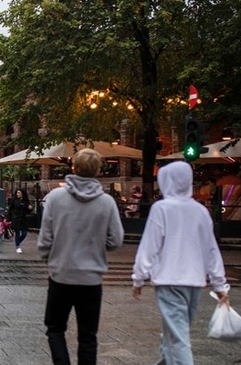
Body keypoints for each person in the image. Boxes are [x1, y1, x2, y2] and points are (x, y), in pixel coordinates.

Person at [131, 161, 229, 364]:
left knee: (178, 337)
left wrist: (139, 277)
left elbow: (149, 246)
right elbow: (211, 250)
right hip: (194, 282)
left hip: (169, 281)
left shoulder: (162, 209)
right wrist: (219, 284)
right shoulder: (201, 211)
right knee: (175, 332)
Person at [37, 148, 124, 365]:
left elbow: (45, 237)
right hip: (91, 279)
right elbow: (116, 240)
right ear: (98, 170)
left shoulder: (56, 198)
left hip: (61, 274)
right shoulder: (107, 202)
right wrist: (95, 245)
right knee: (88, 336)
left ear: (73, 167)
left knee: (55, 328)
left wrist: (50, 256)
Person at [8, 188, 32, 254]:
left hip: (23, 219)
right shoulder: (14, 200)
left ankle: (18, 242)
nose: (18, 194)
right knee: (17, 233)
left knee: (24, 233)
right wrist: (9, 219)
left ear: (22, 193)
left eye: (19, 193)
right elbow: (10, 209)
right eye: (17, 192)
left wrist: (30, 209)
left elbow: (28, 210)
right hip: (16, 218)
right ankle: (18, 246)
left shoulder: (25, 201)